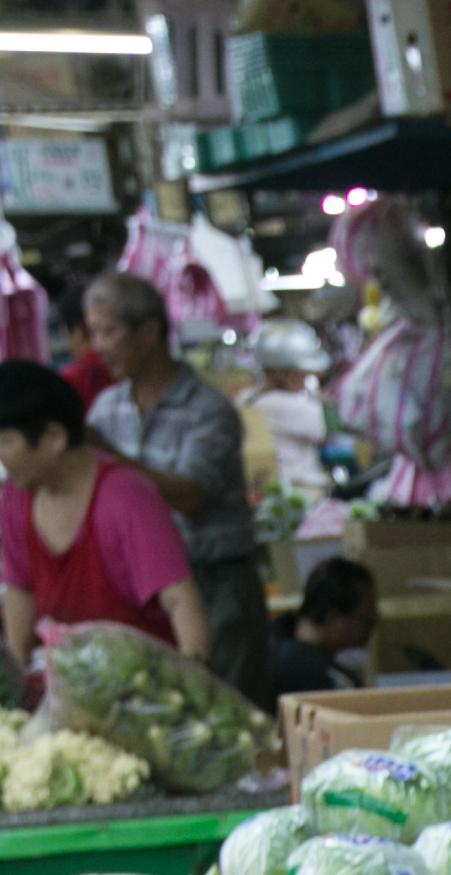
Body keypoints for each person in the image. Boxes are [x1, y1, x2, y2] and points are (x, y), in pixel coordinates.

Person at [82, 270, 270, 706]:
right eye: (94, 333)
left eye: (109, 332)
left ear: (149, 332)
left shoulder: (208, 410)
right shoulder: (106, 409)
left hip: (216, 586)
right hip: (144, 594)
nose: (100, 347)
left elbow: (191, 494)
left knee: (226, 710)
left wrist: (113, 459)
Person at [0, 358, 208, 670]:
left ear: (54, 438)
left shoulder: (124, 496)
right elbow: (19, 591)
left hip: (141, 684)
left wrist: (194, 681)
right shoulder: (17, 495)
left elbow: (180, 599)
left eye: (5, 441)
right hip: (66, 683)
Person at [267, 556, 374, 699]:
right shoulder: (316, 677)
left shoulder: (273, 643)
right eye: (367, 620)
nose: (372, 628)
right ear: (333, 618)